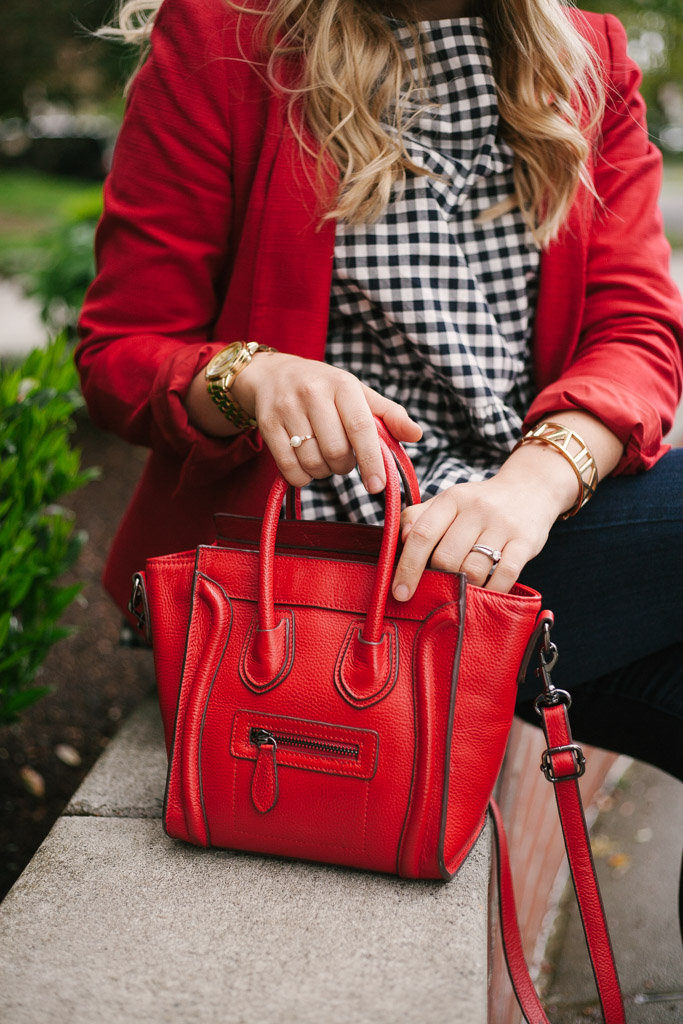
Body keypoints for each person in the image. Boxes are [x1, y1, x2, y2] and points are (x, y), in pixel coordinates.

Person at [77, 0, 682, 783]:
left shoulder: (587, 54)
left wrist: (532, 485)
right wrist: (254, 376)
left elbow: (635, 334)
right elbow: (120, 349)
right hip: (324, 550)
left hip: (514, 523)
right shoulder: (223, 34)